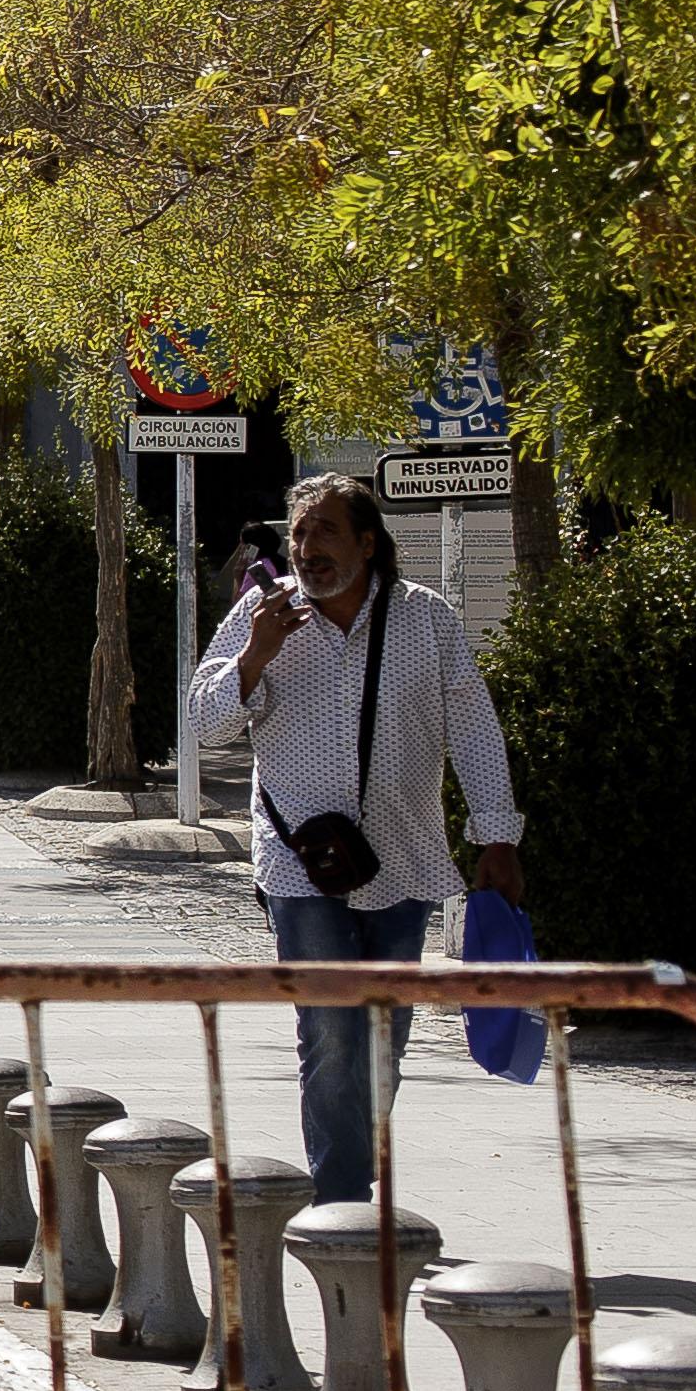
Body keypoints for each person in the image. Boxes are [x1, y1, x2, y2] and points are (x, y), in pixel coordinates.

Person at [184, 472, 523, 1206]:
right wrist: (256, 655)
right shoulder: (261, 616)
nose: (307, 549)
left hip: (402, 857)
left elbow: (472, 727)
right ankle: (341, 1204)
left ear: (368, 544)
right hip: (298, 864)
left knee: (383, 1038)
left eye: (326, 532)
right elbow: (203, 727)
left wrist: (496, 835)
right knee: (331, 1029)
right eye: (300, 534)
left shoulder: (423, 620)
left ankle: (350, 1169)